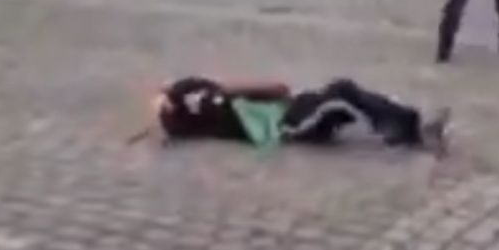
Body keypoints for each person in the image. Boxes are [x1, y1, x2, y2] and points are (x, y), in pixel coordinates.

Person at [156, 77, 449, 152]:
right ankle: (414, 133)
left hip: (293, 107)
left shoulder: (213, 100)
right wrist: (170, 99)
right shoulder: (207, 118)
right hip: (289, 125)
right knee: (339, 100)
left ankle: (410, 122)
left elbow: (278, 89)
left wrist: (173, 93)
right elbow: (276, 88)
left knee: (343, 89)